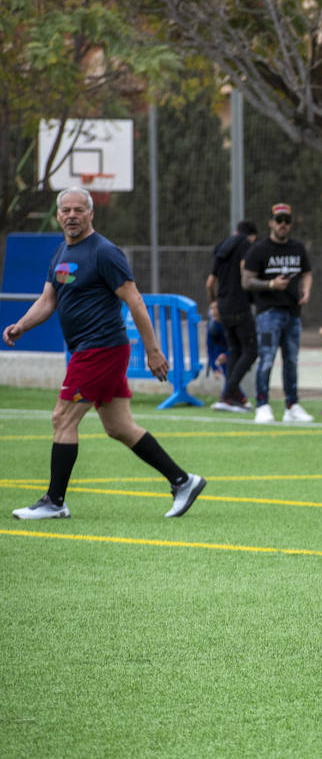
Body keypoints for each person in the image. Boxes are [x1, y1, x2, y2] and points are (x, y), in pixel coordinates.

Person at [5, 187, 206, 520]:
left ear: (91, 214)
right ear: (57, 215)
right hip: (88, 350)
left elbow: (135, 301)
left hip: (101, 349)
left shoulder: (104, 252)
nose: (71, 215)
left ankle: (54, 502)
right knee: (119, 427)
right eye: (65, 210)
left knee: (62, 418)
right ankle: (183, 481)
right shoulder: (60, 254)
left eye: (78, 210)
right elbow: (48, 301)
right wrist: (21, 326)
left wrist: (154, 351)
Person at [241, 202, 313, 423]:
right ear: (271, 223)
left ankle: (292, 405)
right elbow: (246, 281)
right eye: (279, 220)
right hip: (268, 314)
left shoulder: (298, 248)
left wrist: (307, 290)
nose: (283, 225)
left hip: (293, 313)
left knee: (292, 359)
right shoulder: (259, 250)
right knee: (267, 359)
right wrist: (271, 284)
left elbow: (307, 272)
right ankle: (262, 405)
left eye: (287, 221)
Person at [204, 219, 258, 412]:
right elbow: (245, 269)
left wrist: (213, 302)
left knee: (235, 350)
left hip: (224, 306)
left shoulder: (222, 248)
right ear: (252, 236)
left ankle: (230, 399)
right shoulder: (246, 245)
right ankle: (230, 391)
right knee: (251, 351)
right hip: (240, 304)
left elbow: (210, 283)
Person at [205, 301, 229, 379]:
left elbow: (237, 345)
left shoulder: (228, 325)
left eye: (216, 308)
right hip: (219, 360)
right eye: (212, 308)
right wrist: (214, 368)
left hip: (231, 358)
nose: (214, 311)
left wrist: (227, 355)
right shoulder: (211, 328)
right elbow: (210, 348)